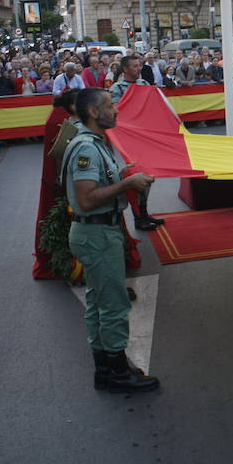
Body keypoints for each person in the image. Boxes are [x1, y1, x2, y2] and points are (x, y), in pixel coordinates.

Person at [64, 87, 160, 393]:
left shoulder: (93, 142)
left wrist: (121, 175)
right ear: (94, 112)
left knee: (97, 302)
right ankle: (118, 372)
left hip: (94, 232)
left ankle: (105, 367)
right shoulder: (87, 148)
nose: (116, 110)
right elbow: (88, 198)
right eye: (110, 105)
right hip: (96, 233)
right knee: (113, 304)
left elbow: (96, 185)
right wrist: (127, 183)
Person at [109, 55, 165, 232]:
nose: (138, 69)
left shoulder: (145, 85)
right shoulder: (117, 88)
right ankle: (138, 217)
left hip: (146, 138)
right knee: (136, 177)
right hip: (130, 142)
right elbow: (117, 113)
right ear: (125, 69)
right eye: (134, 66)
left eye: (139, 65)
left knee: (148, 178)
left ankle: (144, 212)